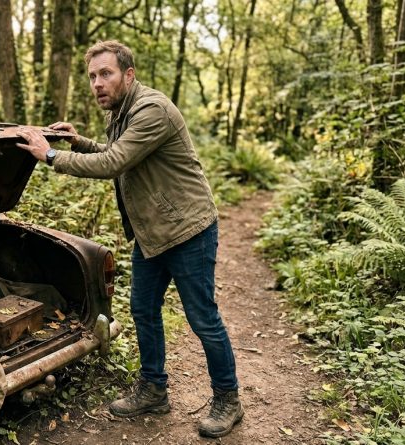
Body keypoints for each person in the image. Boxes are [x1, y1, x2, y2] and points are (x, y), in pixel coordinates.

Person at [15, 40, 243, 438]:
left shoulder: (151, 108)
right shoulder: (121, 113)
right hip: (152, 234)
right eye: (92, 76)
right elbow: (116, 152)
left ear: (129, 75)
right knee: (143, 311)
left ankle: (228, 399)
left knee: (203, 319)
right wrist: (80, 142)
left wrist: (50, 156)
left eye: (106, 74)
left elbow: (114, 163)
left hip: (187, 229)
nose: (97, 83)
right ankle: (154, 389)